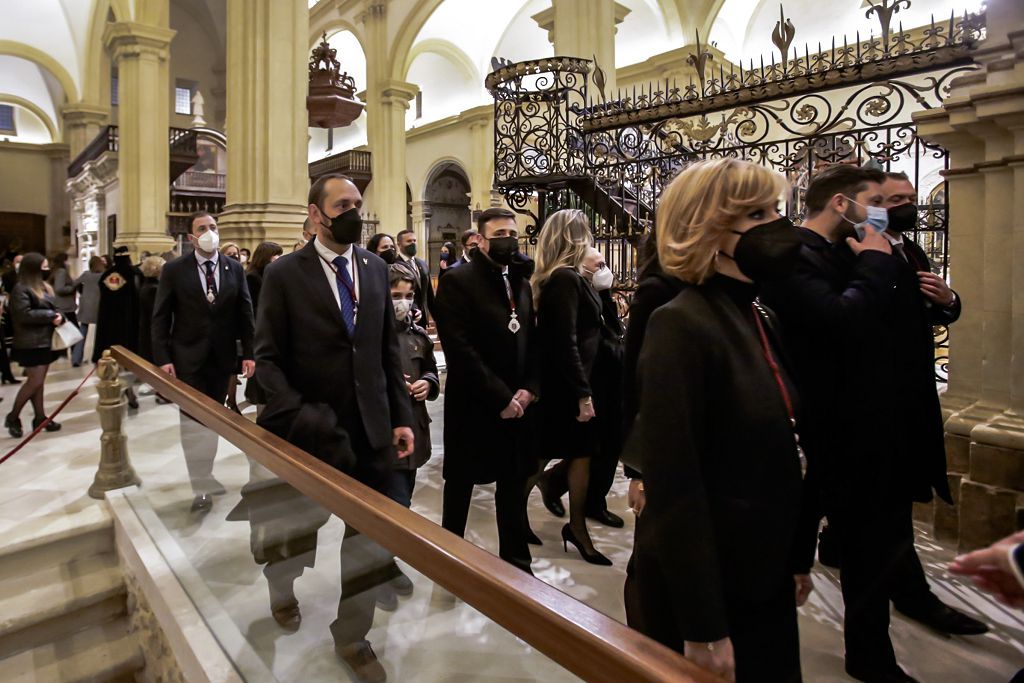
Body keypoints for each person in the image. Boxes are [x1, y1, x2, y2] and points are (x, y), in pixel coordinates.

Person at [759, 164, 946, 682]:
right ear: (843, 204)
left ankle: (887, 627)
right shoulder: (800, 255)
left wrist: (943, 301)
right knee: (862, 546)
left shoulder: (857, 248)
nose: (884, 213)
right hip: (835, 421)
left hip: (875, 416)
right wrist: (874, 265)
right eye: (877, 201)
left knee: (873, 541)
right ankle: (870, 658)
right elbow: (841, 323)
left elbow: (888, 320)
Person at [633, 158, 809, 682]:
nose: (777, 226)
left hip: (762, 565)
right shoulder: (680, 324)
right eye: (757, 214)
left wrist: (796, 557)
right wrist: (703, 625)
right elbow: (676, 486)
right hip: (715, 581)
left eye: (776, 210)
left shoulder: (757, 311)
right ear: (705, 229)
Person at [255, 172, 413, 683]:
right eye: (343, 204)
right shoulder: (283, 275)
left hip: (370, 429)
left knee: (372, 538)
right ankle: (282, 586)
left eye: (358, 204)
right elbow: (268, 361)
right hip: (310, 433)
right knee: (297, 532)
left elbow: (387, 351)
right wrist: (300, 414)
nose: (355, 213)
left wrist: (402, 418)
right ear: (315, 214)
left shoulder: (372, 268)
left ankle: (352, 634)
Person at [872, 171, 985, 637]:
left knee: (877, 498)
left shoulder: (908, 247)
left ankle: (835, 541)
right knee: (886, 503)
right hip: (879, 394)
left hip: (911, 389)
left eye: (910, 198)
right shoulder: (863, 250)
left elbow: (934, 305)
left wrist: (948, 299)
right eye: (894, 199)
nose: (906, 205)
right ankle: (914, 596)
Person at [433, 207, 538, 575]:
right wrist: (500, 398)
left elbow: (531, 339)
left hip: (517, 403)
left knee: (512, 485)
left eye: (513, 233)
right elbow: (460, 349)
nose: (508, 240)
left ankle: (517, 561)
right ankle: (450, 557)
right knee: (461, 485)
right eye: (500, 235)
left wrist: (528, 390)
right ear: (479, 239)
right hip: (475, 403)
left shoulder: (520, 281)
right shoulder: (457, 281)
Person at [151, 211, 256, 513]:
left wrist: (248, 352)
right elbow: (160, 318)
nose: (209, 232)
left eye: (213, 227)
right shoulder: (175, 270)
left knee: (211, 419)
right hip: (187, 358)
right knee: (193, 422)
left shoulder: (234, 268)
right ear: (191, 237)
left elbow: (245, 313)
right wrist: (163, 359)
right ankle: (200, 483)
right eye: (202, 228)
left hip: (221, 358)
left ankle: (205, 473)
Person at [528, 212, 613, 565]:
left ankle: (576, 528)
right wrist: (582, 393)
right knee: (549, 453)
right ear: (576, 238)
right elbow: (564, 342)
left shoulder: (575, 278)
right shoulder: (563, 279)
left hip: (578, 380)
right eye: (588, 234)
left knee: (579, 454)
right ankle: (522, 517)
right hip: (567, 385)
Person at [620, 229, 684, 630]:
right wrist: (639, 471)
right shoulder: (658, 291)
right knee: (651, 564)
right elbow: (638, 382)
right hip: (662, 457)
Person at [535, 246, 626, 529]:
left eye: (605, 265)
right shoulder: (568, 282)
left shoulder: (592, 291)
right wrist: (581, 391)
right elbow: (567, 339)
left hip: (606, 373)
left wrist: (605, 291)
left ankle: (590, 500)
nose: (604, 270)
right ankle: (552, 485)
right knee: (576, 445)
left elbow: (612, 326)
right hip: (586, 376)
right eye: (598, 265)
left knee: (605, 443)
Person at [5, 253, 64, 438]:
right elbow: (24, 314)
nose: (47, 270)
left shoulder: (42, 287)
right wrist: (50, 316)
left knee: (39, 384)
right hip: (29, 342)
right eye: (44, 267)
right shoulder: (21, 289)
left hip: (44, 340)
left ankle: (40, 417)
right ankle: (13, 416)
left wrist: (58, 315)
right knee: (34, 381)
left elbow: (52, 306)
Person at [92, 246, 141, 409]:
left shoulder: (108, 275)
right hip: (131, 323)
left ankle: (119, 390)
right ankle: (129, 391)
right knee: (129, 360)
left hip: (110, 324)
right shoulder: (134, 274)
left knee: (113, 360)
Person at [242, 241, 282, 409]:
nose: (278, 258)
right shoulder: (253, 277)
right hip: (260, 329)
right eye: (275, 255)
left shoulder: (271, 274)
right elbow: (252, 306)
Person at [394, 229, 434, 321]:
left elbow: (429, 293)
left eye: (414, 241)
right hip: (406, 316)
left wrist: (436, 316)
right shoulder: (395, 265)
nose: (413, 243)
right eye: (408, 241)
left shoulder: (422, 264)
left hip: (423, 316)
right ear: (399, 244)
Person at [50, 253, 81, 365]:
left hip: (63, 305)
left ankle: (72, 356)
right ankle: (75, 357)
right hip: (64, 306)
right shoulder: (61, 272)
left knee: (69, 330)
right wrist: (73, 286)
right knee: (74, 332)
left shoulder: (58, 271)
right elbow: (60, 288)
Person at [73, 255, 105, 366]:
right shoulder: (103, 275)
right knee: (99, 333)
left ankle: (76, 358)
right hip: (99, 305)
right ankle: (99, 356)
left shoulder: (86, 274)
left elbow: (75, 283)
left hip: (86, 304)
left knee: (82, 332)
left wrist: (81, 291)